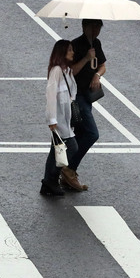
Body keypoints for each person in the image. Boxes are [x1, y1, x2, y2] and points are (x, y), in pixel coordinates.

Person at [41, 40, 85, 196]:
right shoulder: (57, 71)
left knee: (56, 150)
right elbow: (51, 95)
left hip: (65, 118)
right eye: (70, 50)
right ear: (62, 53)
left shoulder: (67, 71)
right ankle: (51, 180)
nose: (73, 52)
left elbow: (71, 93)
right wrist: (52, 120)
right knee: (70, 147)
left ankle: (48, 183)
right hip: (58, 120)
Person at [69, 19, 106, 180]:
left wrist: (97, 75)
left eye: (98, 27)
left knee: (79, 133)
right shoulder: (75, 45)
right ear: (84, 26)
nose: (95, 30)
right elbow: (70, 72)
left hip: (88, 96)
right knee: (92, 133)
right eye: (92, 27)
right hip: (76, 96)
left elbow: (103, 65)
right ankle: (69, 168)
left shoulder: (96, 44)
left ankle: (65, 169)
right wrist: (85, 58)